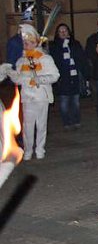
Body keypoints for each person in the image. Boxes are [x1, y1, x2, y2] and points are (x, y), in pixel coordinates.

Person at [0, 23, 59, 159]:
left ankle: (40, 150)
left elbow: (55, 75)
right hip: (27, 97)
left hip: (41, 96)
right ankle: (27, 151)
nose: (26, 44)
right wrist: (10, 72)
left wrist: (40, 80)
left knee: (41, 125)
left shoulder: (45, 59)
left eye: (28, 42)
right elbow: (19, 80)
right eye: (24, 42)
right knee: (27, 126)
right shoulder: (21, 61)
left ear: (35, 42)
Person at [48, 23, 89, 130]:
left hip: (74, 77)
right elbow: (54, 61)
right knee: (64, 102)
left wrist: (86, 74)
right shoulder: (54, 46)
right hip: (62, 78)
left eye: (65, 30)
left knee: (75, 101)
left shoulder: (75, 44)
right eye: (60, 31)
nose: (63, 33)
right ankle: (66, 122)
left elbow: (82, 59)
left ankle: (76, 120)